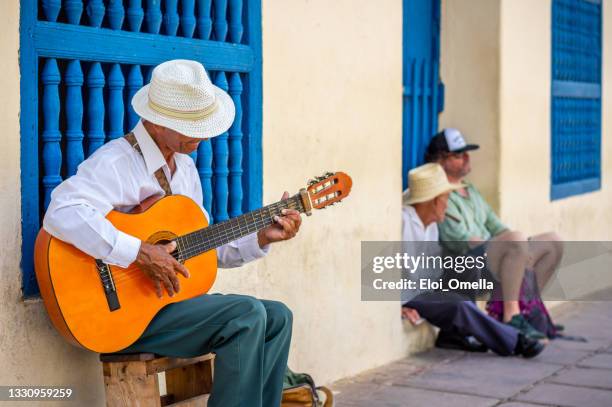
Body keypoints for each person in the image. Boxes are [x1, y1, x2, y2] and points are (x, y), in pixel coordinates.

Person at [43, 59, 301, 407]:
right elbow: (61, 211)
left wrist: (261, 238)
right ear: (154, 122)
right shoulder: (116, 163)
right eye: (190, 126)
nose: (203, 134)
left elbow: (200, 248)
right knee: (246, 314)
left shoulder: (186, 169)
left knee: (278, 316)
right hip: (120, 317)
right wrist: (138, 252)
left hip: (169, 308)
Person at [425, 128, 563, 339]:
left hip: (488, 256)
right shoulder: (439, 195)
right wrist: (504, 248)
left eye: (466, 153)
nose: (466, 158)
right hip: (463, 266)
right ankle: (510, 317)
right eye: (459, 154)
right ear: (440, 161)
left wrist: (520, 252)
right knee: (514, 242)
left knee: (552, 242)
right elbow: (459, 241)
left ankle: (527, 310)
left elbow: (498, 227)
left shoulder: (469, 189)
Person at [401, 163, 544, 358]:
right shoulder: (403, 222)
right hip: (410, 294)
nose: (448, 203)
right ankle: (515, 341)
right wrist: (398, 305)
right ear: (433, 201)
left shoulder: (431, 225)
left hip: (427, 287)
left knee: (467, 264)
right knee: (460, 305)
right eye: (445, 198)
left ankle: (455, 336)